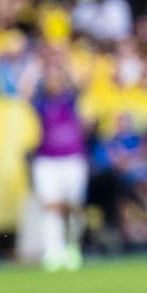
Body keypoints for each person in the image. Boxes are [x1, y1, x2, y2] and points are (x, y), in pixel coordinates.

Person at [27, 52, 89, 270]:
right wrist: (38, 66)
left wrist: (63, 62)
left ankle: (72, 247)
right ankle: (53, 251)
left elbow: (82, 82)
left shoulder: (71, 100)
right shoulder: (40, 103)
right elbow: (24, 91)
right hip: (47, 160)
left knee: (73, 207)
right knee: (51, 206)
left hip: (73, 159)